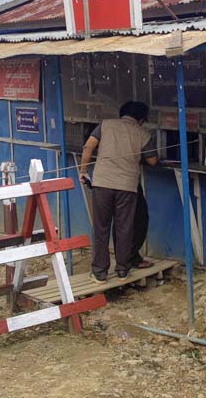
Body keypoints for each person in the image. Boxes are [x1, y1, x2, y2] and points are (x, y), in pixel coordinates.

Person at [80, 101, 157, 283]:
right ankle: (123, 270)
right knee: (124, 228)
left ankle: (100, 273)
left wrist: (83, 171)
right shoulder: (143, 133)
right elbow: (153, 160)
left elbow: (88, 146)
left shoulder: (105, 125)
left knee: (101, 228)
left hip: (102, 184)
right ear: (140, 119)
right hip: (127, 187)